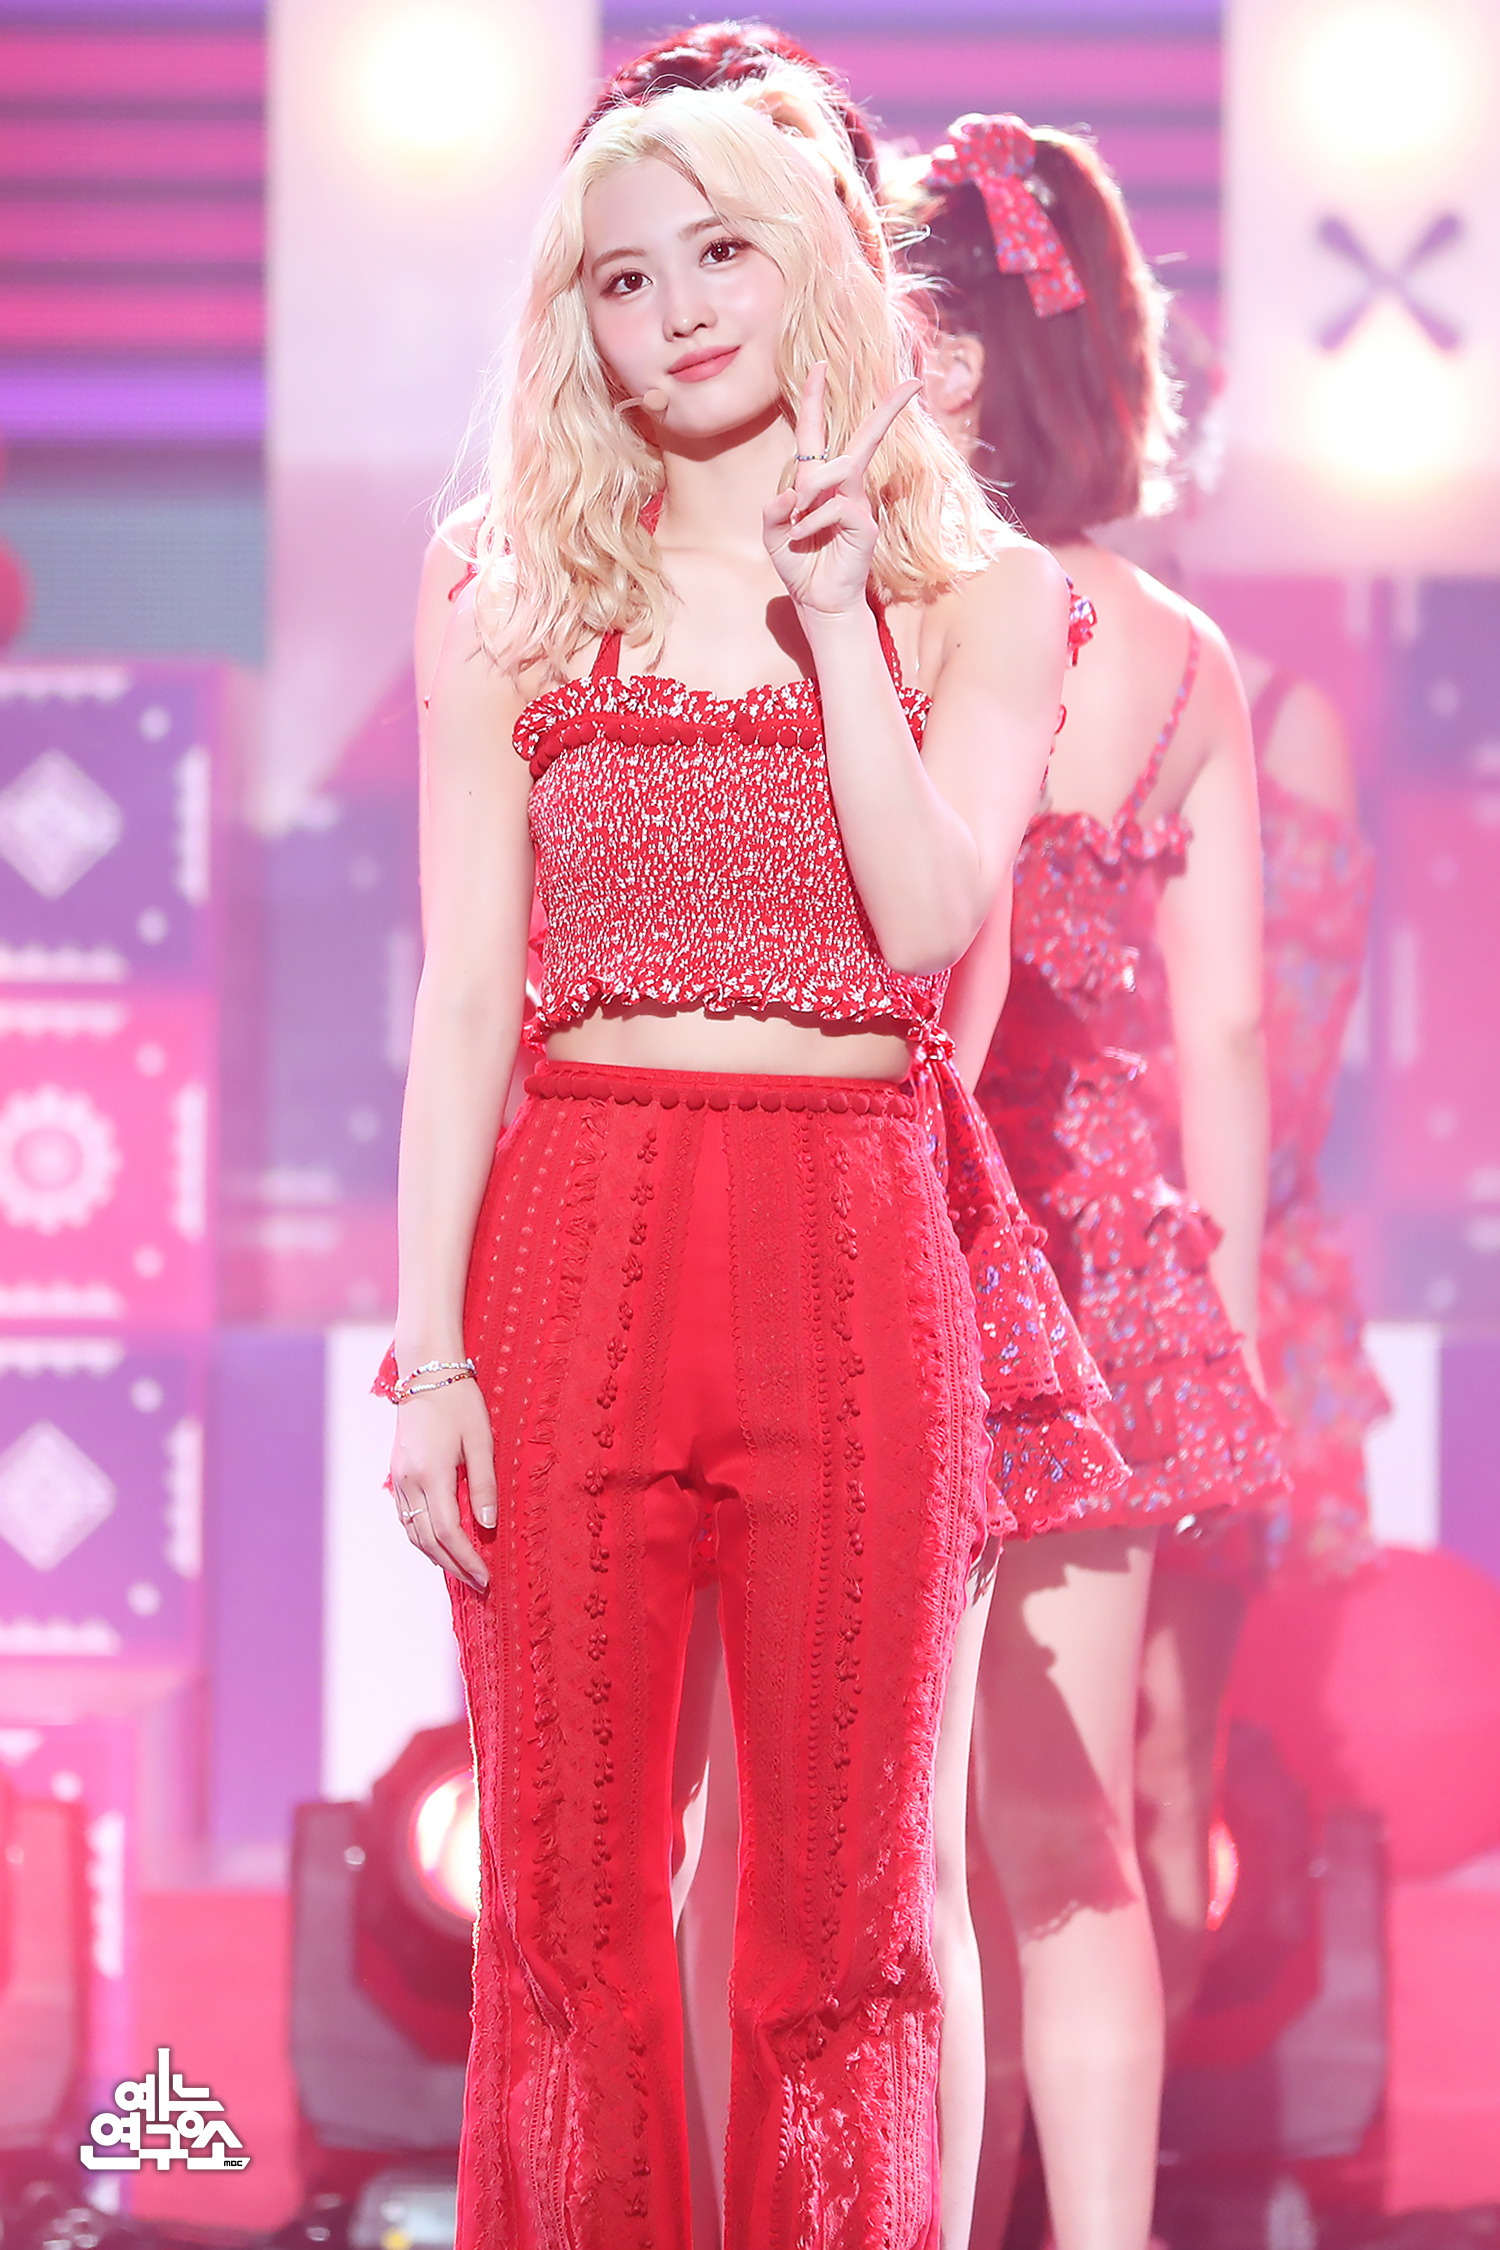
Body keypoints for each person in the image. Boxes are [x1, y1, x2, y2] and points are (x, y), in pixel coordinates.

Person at [381, 70, 1119, 2248]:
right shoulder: (504, 584)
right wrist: (430, 1356)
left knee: (851, 1934)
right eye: (624, 280)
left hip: (854, 1243)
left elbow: (929, 918)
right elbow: (461, 996)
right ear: (579, 326)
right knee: (567, 1921)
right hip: (572, 1236)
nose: (679, 310)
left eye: (720, 255)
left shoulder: (977, 596)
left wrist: (835, 619)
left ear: (816, 270)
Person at [901, 116, 1286, 2250]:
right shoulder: (1185, 655)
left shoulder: (896, 618)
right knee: (1071, 1844)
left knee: (909, 1839)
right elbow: (1221, 1036)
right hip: (1109, 1265)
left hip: (913, 1232)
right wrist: (1213, 1313)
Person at [1135, 650, 1388, 2033]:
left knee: (1169, 1753)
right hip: (1009, 1261)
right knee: (973, 1771)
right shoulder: (972, 641)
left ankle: (1123, 2139)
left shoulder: (1284, 715)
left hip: (1193, 1271)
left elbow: (1277, 1060)